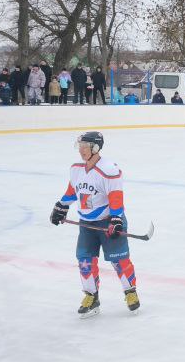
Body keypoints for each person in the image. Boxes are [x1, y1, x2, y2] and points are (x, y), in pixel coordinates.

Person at [49, 131, 141, 316]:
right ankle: (91, 296)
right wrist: (61, 206)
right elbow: (72, 191)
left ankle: (130, 292)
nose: (81, 150)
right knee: (84, 260)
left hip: (108, 222)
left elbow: (116, 197)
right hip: (87, 224)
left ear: (96, 148)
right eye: (80, 146)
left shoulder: (109, 170)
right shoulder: (76, 169)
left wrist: (116, 219)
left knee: (119, 260)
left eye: (85, 146)